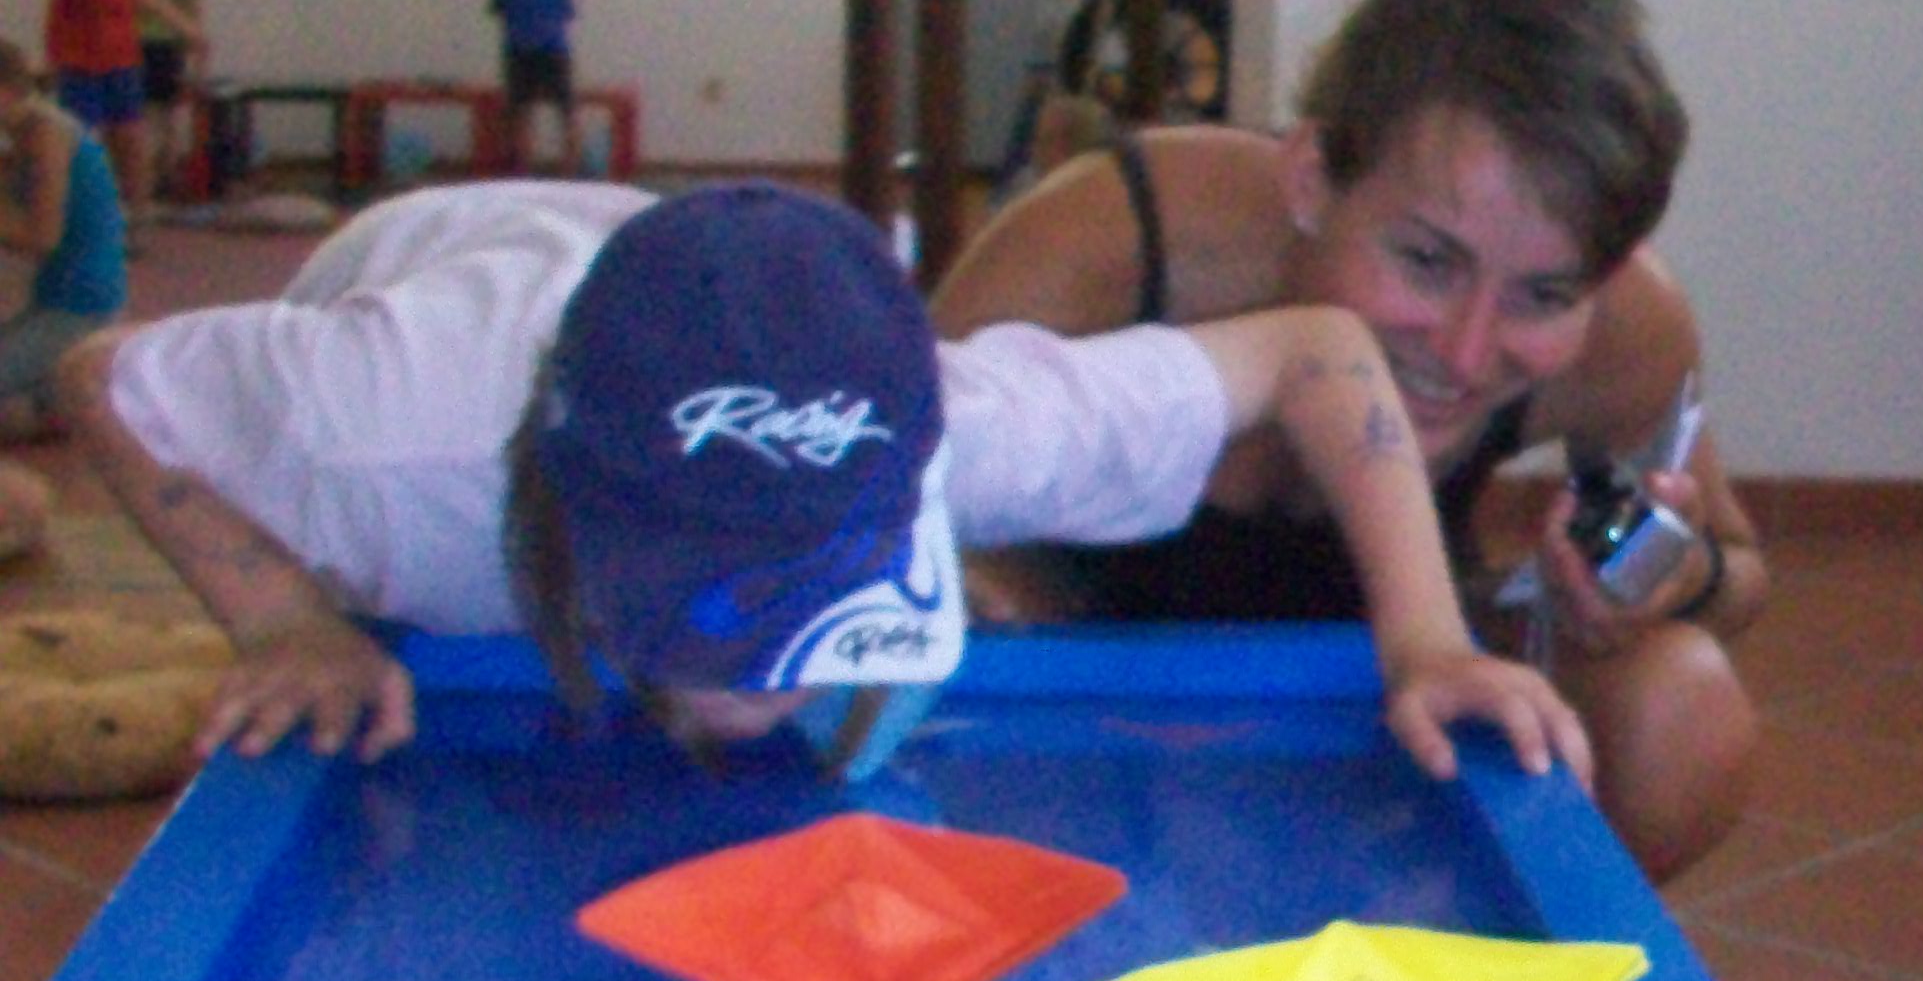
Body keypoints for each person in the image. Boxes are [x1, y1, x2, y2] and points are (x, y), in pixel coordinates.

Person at [54, 177, 1586, 796]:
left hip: (674, 280)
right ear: (570, 505)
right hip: (421, 276)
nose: (752, 690)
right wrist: (281, 618)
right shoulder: (368, 450)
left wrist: (1428, 639)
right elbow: (106, 382)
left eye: (804, 607)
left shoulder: (966, 429)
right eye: (702, 609)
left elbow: (1317, 352)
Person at [931, 0, 1769, 884]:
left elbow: (1740, 575)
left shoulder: (1628, 330)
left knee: (1682, 707)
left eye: (1543, 297)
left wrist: (1672, 574)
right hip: (1077, 670)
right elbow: (888, 499)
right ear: (1310, 179)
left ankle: (1487, 952)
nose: (1464, 351)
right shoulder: (1104, 246)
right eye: (1426, 261)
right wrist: (986, 595)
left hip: (1394, 658)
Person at [33, 0, 184, 223]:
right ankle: (82, 218)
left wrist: (186, 28)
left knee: (131, 140)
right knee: (81, 144)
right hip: (76, 59)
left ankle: (138, 216)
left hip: (121, 56)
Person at [0, 40, 127, 430]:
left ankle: (62, 396)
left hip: (80, 307)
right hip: (56, 299)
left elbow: (42, 236)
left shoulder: (46, 134)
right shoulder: (27, 133)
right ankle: (53, 398)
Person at [139, 0, 210, 207]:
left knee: (144, 118)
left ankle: (140, 186)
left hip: (135, 43)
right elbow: (193, 6)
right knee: (168, 119)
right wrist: (198, 46)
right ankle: (165, 184)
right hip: (168, 45)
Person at [488, 0, 577, 173]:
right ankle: (570, 170)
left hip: (519, 52)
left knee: (521, 112)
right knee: (566, 113)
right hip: (554, 51)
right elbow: (568, 14)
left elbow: (496, 9)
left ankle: (521, 170)